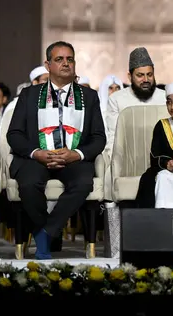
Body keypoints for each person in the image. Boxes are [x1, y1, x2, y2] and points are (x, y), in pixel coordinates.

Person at [7, 41, 106, 260]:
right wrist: (36, 153)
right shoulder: (29, 95)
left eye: (70, 59)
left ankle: (45, 233)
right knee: (28, 183)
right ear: (47, 65)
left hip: (73, 158)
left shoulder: (89, 97)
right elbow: (14, 134)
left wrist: (76, 154)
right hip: (37, 158)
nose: (66, 64)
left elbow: (99, 138)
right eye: (59, 59)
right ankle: (49, 232)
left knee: (82, 182)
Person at [105, 47, 166, 156]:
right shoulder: (117, 100)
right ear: (130, 76)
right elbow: (113, 136)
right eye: (140, 75)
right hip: (128, 156)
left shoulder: (165, 98)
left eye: (149, 74)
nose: (146, 80)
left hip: (161, 156)